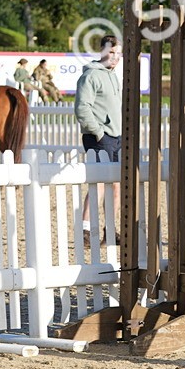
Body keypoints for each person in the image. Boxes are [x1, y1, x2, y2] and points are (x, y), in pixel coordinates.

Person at [75, 36, 122, 239]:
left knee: (117, 186)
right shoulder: (90, 76)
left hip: (117, 136)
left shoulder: (113, 76)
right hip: (99, 136)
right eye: (111, 52)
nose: (115, 57)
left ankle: (109, 230)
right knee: (100, 184)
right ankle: (86, 228)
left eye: (118, 53)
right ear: (102, 51)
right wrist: (99, 132)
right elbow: (82, 108)